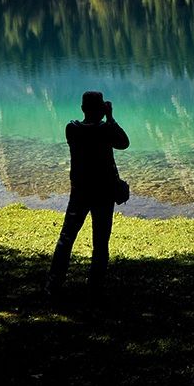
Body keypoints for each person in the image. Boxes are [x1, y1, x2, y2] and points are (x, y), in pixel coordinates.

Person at [47, 90, 129, 297]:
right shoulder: (105, 130)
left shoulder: (72, 129)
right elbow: (124, 143)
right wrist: (110, 117)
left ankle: (54, 283)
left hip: (80, 192)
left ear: (83, 109)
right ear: (101, 109)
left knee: (67, 237)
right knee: (101, 240)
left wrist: (104, 118)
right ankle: (95, 284)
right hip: (103, 193)